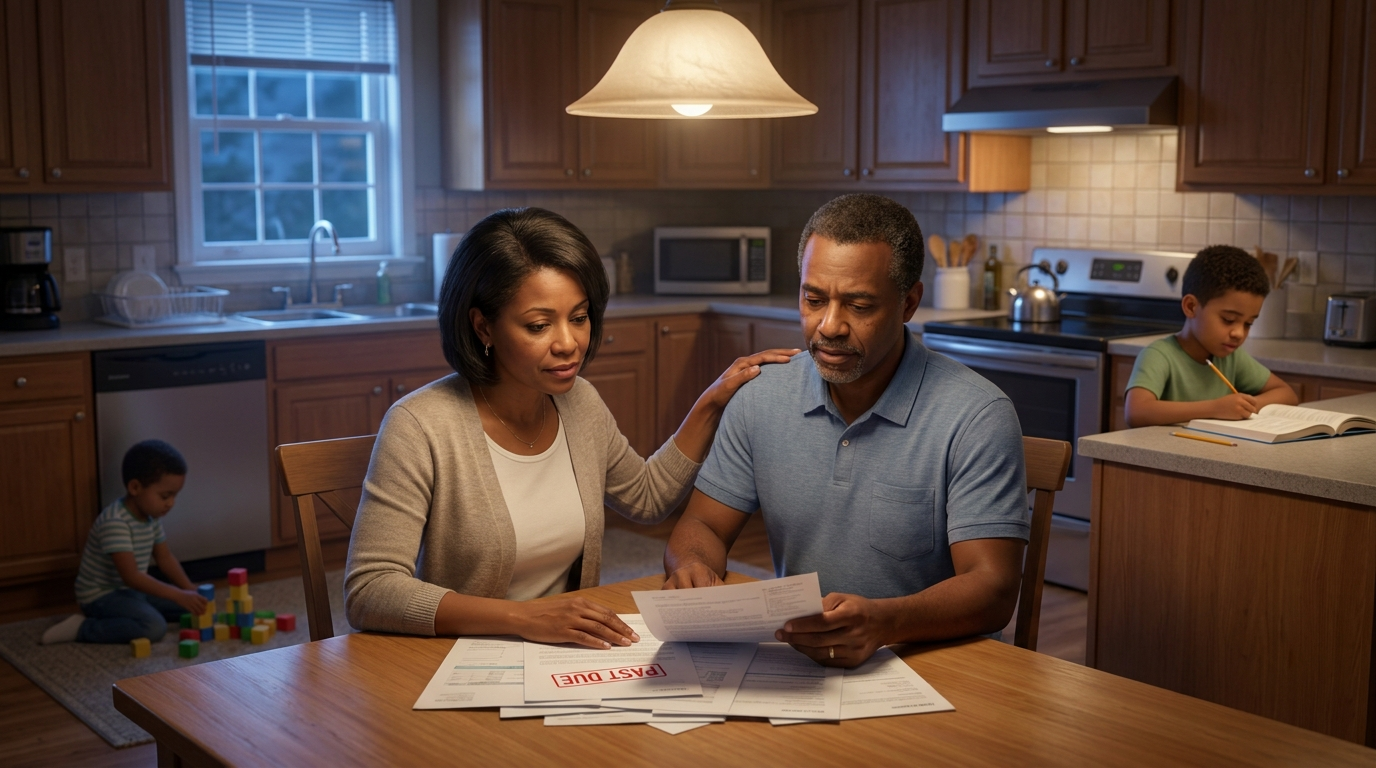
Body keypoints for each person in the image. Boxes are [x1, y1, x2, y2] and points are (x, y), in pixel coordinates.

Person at [345, 207, 796, 649]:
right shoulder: (420, 424)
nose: (569, 344)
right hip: (458, 657)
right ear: (483, 326)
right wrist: (523, 618)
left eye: (578, 318)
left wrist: (711, 402)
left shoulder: (578, 400)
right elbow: (371, 590)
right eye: (539, 325)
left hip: (564, 654)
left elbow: (646, 498)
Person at [662, 193, 1030, 668]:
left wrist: (885, 624)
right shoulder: (760, 395)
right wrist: (693, 564)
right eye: (813, 300)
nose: (829, 326)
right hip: (807, 665)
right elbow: (703, 525)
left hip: (938, 669)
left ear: (909, 303)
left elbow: (994, 588)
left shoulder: (977, 415)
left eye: (858, 305)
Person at [41, 440, 209, 644]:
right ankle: (83, 627)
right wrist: (177, 595)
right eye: (165, 496)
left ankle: (140, 611)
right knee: (154, 627)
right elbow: (131, 577)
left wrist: (187, 588)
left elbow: (164, 557)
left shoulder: (151, 516)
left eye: (174, 496)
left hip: (133, 592)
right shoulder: (115, 522)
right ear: (135, 487)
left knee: (199, 605)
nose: (171, 503)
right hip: (102, 596)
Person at [1124, 245, 1298, 428]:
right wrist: (1215, 408)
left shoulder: (1231, 357)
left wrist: (1243, 407)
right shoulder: (1159, 355)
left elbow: (1287, 394)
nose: (1239, 333)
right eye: (1228, 319)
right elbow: (1136, 412)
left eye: (1248, 324)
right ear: (1191, 307)